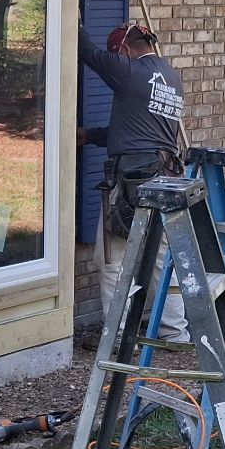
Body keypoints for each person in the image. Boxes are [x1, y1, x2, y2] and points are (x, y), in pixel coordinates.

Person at [79, 19, 188, 342]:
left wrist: (73, 20)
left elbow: (88, 53)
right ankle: (174, 332)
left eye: (119, 55)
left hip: (132, 181)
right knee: (159, 258)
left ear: (124, 50)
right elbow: (141, 129)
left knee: (110, 257)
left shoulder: (129, 71)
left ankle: (116, 334)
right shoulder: (171, 77)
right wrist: (92, 136)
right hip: (166, 176)